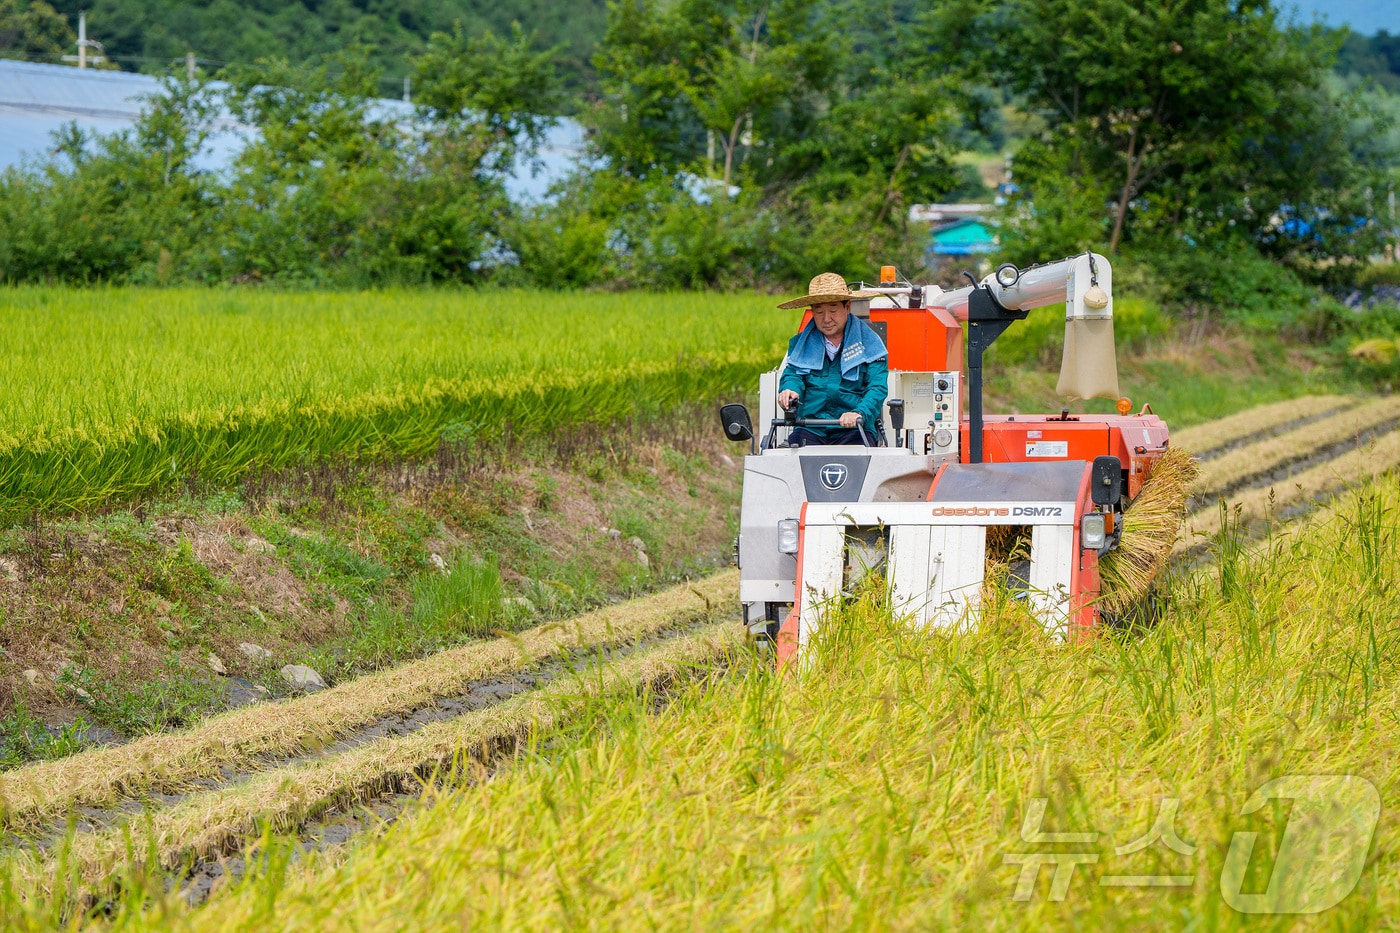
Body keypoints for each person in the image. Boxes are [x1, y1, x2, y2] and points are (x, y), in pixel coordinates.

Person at [774, 272, 888, 446]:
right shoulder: (799, 344)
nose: (826, 319)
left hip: (855, 430)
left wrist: (859, 413)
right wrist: (790, 390)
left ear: (847, 307)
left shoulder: (871, 345)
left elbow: (877, 388)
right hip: (810, 428)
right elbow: (793, 375)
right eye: (819, 312)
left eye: (833, 311)